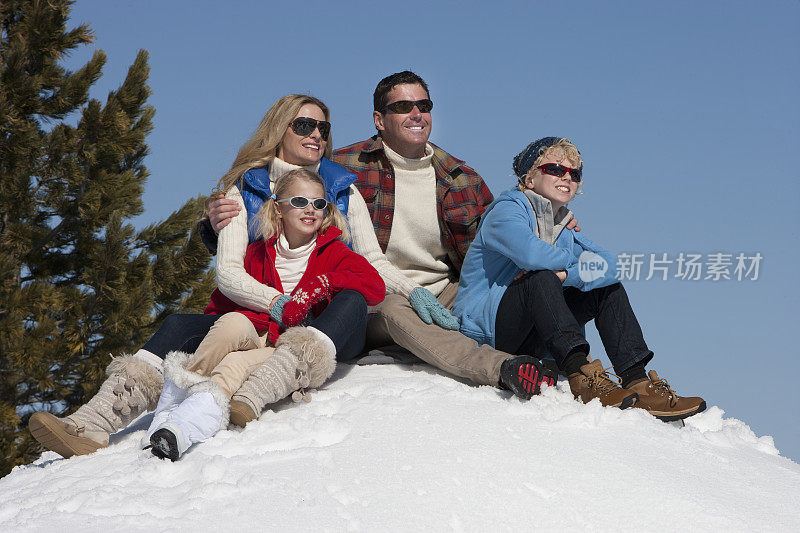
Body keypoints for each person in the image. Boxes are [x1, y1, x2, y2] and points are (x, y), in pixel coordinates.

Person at [207, 72, 562, 418]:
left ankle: (564, 368)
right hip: (365, 299)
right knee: (391, 309)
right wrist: (212, 227)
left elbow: (496, 238)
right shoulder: (342, 169)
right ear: (379, 119)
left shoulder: (455, 177)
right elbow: (241, 245)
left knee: (528, 285)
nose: (416, 113)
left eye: (423, 104)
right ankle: (501, 368)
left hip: (439, 289)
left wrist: (556, 218)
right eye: (404, 105)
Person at [28, 94, 365, 457]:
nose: (315, 133)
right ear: (278, 129)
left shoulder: (342, 188)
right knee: (176, 324)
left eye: (322, 127)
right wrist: (278, 303)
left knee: (354, 300)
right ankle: (92, 423)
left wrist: (414, 293)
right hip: (259, 317)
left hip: (320, 321)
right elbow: (229, 272)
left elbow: (372, 263)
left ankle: (261, 388)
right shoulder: (246, 190)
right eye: (303, 124)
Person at [452, 137, 706, 420]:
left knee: (605, 287)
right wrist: (571, 267)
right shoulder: (506, 210)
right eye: (555, 169)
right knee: (543, 278)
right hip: (488, 332)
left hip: (533, 333)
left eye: (574, 173)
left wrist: (568, 274)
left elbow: (610, 266)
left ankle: (637, 381)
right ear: (529, 178)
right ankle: (581, 375)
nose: (567, 177)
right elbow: (532, 255)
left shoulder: (563, 226)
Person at [144, 169, 384, 461]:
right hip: (259, 332)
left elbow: (374, 286)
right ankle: (176, 406)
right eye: (299, 201)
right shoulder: (257, 253)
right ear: (278, 208)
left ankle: (183, 427)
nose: (311, 209)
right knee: (230, 325)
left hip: (287, 345)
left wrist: (323, 284)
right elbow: (220, 306)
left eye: (319, 204)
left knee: (235, 363)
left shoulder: (334, 252)